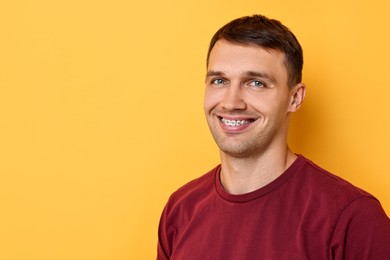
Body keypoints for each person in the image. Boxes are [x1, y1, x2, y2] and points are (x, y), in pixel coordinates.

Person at [157, 14, 390, 259]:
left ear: (295, 98)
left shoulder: (352, 219)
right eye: (219, 80)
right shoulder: (179, 210)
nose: (231, 102)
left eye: (256, 83)